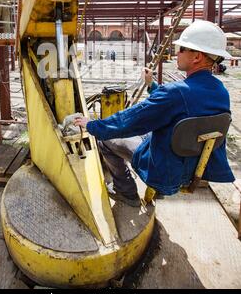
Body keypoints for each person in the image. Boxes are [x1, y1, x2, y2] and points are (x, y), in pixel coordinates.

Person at [74, 20, 235, 207]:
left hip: (165, 169)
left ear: (197, 56)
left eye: (182, 48)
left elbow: (130, 121)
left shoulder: (174, 93)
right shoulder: (220, 91)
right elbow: (181, 105)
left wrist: (92, 125)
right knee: (143, 133)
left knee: (105, 139)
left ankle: (126, 192)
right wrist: (152, 86)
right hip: (196, 166)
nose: (177, 53)